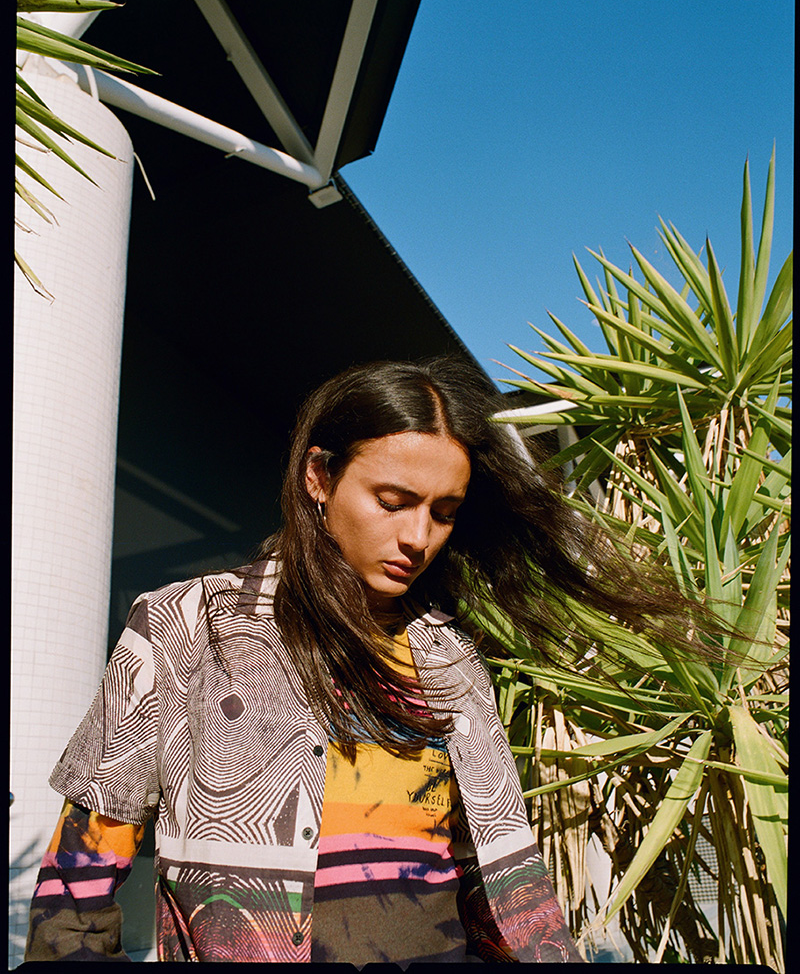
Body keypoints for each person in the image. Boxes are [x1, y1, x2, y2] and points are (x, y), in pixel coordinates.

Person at [24, 357, 705, 965]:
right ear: (319, 477)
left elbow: (487, 878)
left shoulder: (451, 656)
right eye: (393, 501)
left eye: (444, 511)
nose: (418, 536)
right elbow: (79, 882)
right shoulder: (189, 625)